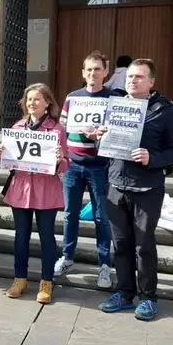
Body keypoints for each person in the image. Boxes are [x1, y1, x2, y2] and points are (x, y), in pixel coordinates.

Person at [96, 58, 173, 321]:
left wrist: (151, 158)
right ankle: (124, 293)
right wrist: (102, 136)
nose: (132, 81)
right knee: (120, 244)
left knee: (143, 246)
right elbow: (107, 146)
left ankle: (148, 298)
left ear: (151, 82)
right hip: (116, 185)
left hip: (147, 187)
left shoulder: (164, 111)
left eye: (139, 77)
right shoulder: (117, 106)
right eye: (130, 76)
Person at [0, 83, 68, 304]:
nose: (32, 103)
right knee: (21, 237)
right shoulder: (17, 127)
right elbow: (8, 164)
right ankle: (20, 278)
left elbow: (66, 165)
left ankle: (46, 281)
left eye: (37, 99)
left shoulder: (56, 130)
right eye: (29, 100)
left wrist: (60, 160)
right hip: (21, 190)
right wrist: (1, 154)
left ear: (47, 103)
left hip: (46, 191)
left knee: (46, 237)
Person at [54, 51, 116, 289]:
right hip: (73, 164)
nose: (93, 73)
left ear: (105, 73)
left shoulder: (114, 98)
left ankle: (103, 265)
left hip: (100, 165)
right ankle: (68, 258)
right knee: (70, 214)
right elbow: (62, 128)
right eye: (89, 69)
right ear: (83, 73)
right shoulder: (72, 97)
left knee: (102, 217)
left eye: (97, 69)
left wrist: (103, 134)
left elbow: (118, 132)